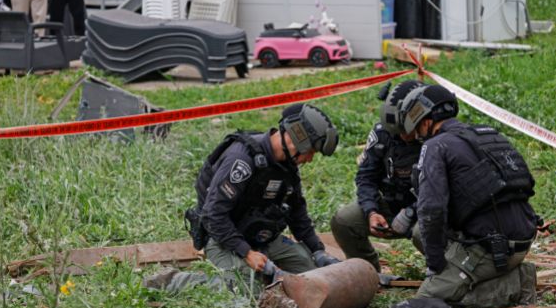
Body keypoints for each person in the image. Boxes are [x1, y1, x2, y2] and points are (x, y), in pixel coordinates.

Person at [145, 104, 341, 293]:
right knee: (247, 291)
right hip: (223, 240)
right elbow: (213, 215)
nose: (310, 159)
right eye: (310, 152)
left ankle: (265, 273)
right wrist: (246, 253)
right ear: (296, 140)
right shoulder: (242, 159)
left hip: (263, 238)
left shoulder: (287, 167)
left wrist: (317, 251)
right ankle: (175, 281)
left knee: (313, 275)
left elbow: (297, 214)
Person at [398, 84, 538, 308]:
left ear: (425, 121)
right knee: (419, 233)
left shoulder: (435, 146)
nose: (417, 135)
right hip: (522, 237)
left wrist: (435, 267)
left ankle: (517, 282)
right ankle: (486, 271)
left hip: (492, 249)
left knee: (427, 299)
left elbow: (432, 210)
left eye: (417, 129)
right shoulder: (486, 134)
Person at [330, 80, 425, 272]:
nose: (402, 136)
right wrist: (372, 212)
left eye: (405, 130)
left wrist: (411, 213)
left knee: (422, 234)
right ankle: (367, 272)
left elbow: (444, 190)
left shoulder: (436, 137)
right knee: (344, 221)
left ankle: (447, 275)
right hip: (391, 207)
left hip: (426, 212)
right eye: (397, 131)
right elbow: (366, 177)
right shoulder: (383, 133)